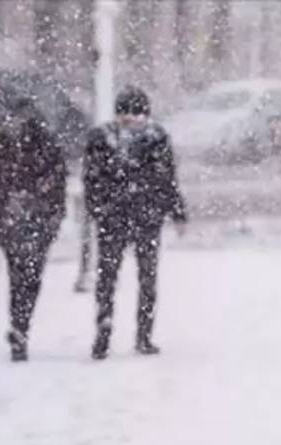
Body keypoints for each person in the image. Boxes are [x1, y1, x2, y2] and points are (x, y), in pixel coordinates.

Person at [0, 97, 67, 362]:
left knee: (21, 276)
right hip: (24, 216)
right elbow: (58, 182)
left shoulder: (4, 142)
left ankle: (20, 326)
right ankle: (21, 326)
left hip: (19, 215)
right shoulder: (34, 143)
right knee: (27, 277)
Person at [83, 85, 186, 360]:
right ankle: (139, 334)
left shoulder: (102, 137)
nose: (132, 120)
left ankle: (109, 329)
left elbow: (92, 179)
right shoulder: (155, 136)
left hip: (117, 217)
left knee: (110, 277)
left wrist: (98, 208)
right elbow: (167, 179)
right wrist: (176, 210)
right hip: (143, 217)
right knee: (144, 278)